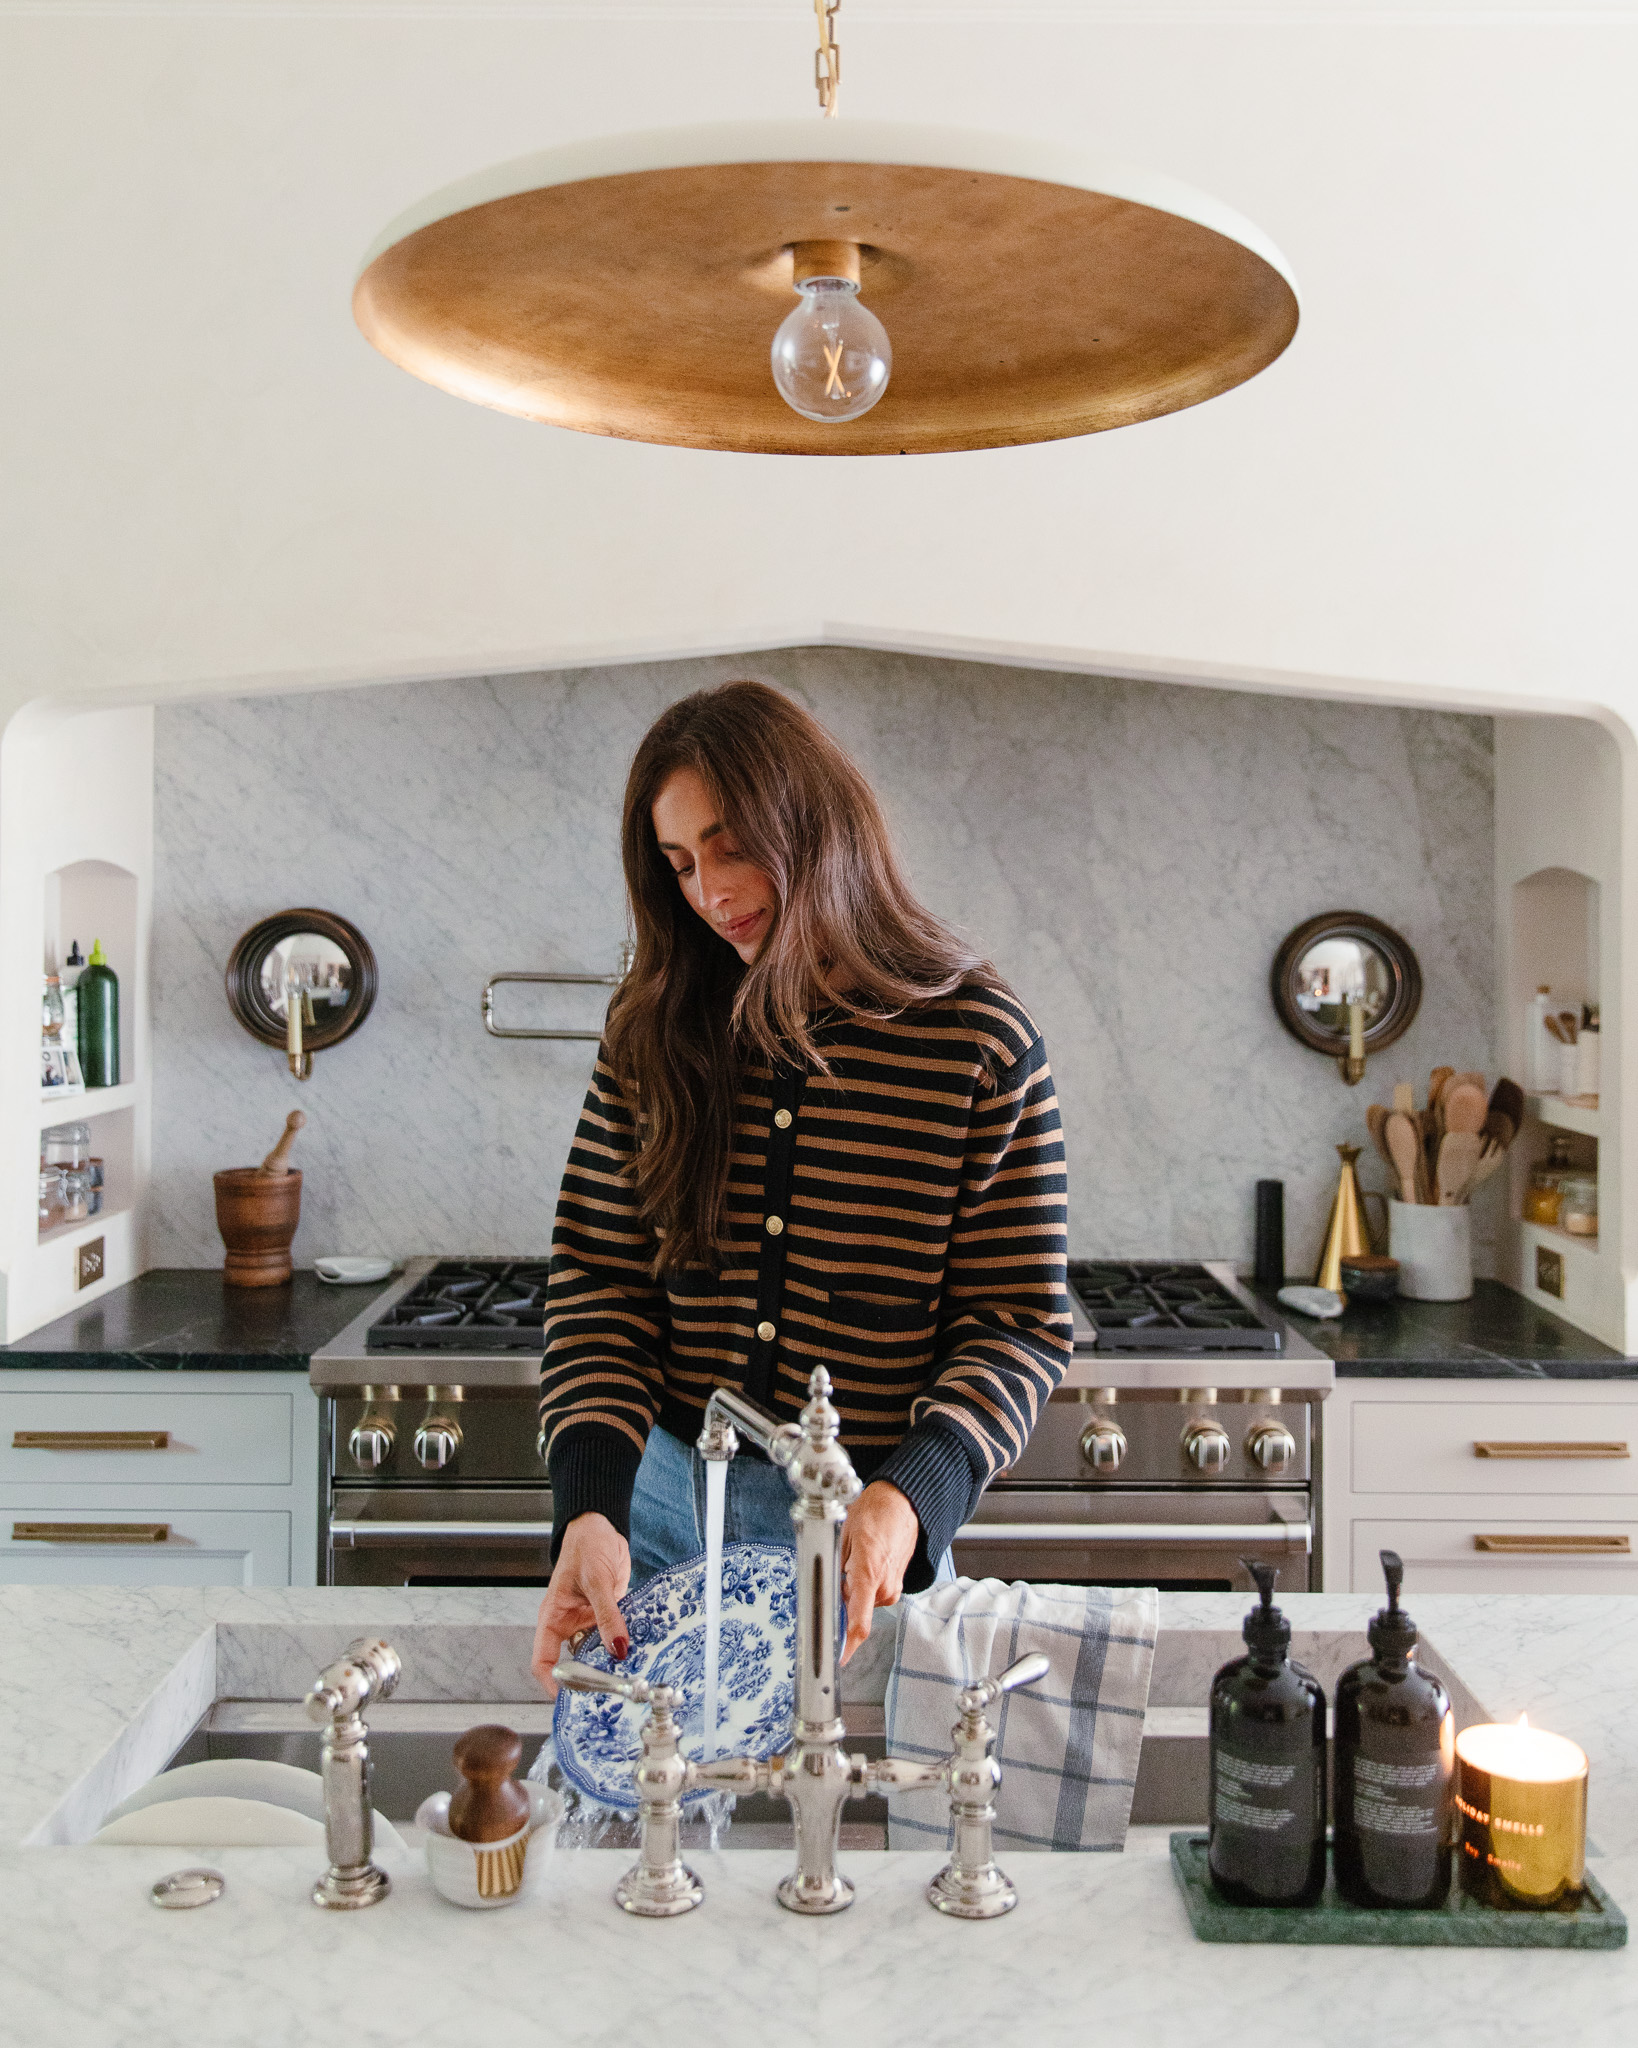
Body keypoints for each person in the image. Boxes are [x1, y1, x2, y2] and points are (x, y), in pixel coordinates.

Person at [531, 680, 1070, 1693]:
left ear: (814, 826)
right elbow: (602, 1281)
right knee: (646, 1826)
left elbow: (1018, 1321)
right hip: (652, 1513)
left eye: (732, 845)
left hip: (867, 1529)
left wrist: (911, 1495)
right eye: (681, 862)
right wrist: (587, 1508)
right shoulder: (651, 1028)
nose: (709, 891)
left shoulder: (977, 1041)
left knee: (861, 1828)